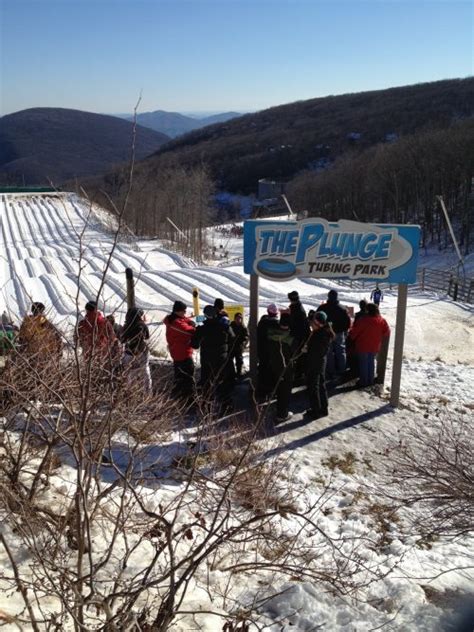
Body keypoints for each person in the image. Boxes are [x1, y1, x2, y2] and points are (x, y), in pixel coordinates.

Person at [191, 305, 235, 409]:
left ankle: (206, 406)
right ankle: (226, 405)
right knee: (223, 381)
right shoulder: (224, 326)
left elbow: (194, 344)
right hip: (221, 358)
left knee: (206, 382)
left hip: (207, 359)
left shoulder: (202, 329)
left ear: (205, 316)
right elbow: (232, 338)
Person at [348, 303, 390, 387]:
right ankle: (370, 380)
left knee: (363, 363)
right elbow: (387, 332)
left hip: (363, 345)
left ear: (368, 310)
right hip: (375, 346)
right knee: (371, 362)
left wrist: (350, 335)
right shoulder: (381, 320)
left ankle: (363, 382)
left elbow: (354, 333)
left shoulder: (363, 320)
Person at [164, 300, 196, 401]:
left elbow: (185, 320)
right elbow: (190, 331)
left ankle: (177, 398)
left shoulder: (173, 318)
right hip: (183, 354)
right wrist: (193, 326)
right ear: (178, 311)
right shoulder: (176, 323)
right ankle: (189, 401)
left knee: (179, 377)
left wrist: (189, 321)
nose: (185, 313)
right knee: (188, 378)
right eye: (184, 311)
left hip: (177, 353)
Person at [266, 311, 295, 423]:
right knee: (285, 390)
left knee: (278, 387)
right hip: (285, 368)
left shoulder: (271, 334)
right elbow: (294, 353)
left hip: (274, 365)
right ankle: (282, 414)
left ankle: (279, 409)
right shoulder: (290, 338)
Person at [305, 311, 335, 418]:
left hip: (315, 361)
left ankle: (316, 410)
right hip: (321, 361)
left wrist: (307, 350)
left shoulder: (319, 335)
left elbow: (314, 350)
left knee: (314, 386)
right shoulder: (326, 331)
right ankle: (323, 408)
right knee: (321, 384)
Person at [317, 290, 351, 379]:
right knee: (341, 351)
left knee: (329, 352)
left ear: (328, 296)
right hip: (339, 333)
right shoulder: (342, 308)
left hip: (326, 332)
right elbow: (348, 323)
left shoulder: (322, 307)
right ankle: (342, 370)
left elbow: (317, 319)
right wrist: (344, 330)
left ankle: (330, 371)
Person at [121, 307, 152, 395]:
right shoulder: (142, 325)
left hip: (128, 352)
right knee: (145, 372)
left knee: (129, 374)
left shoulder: (126, 326)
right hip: (142, 352)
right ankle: (147, 393)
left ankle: (129, 393)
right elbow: (147, 337)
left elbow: (122, 340)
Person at [256, 303, 280, 397]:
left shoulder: (262, 323)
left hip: (263, 352)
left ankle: (262, 391)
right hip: (274, 352)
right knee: (273, 371)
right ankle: (273, 391)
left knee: (263, 370)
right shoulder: (278, 324)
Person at [287, 291, 310, 383]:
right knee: (299, 356)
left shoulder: (297, 310)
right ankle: (299, 373)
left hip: (298, 337)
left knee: (297, 356)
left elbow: (296, 325)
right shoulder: (298, 308)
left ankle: (298, 374)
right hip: (300, 336)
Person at [229, 312, 249, 378]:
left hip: (239, 347)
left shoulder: (243, 327)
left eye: (240, 318)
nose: (238, 320)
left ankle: (239, 373)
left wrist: (243, 342)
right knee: (229, 360)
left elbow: (246, 336)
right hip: (231, 346)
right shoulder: (231, 325)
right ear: (234, 319)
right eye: (237, 318)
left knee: (239, 361)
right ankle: (231, 373)